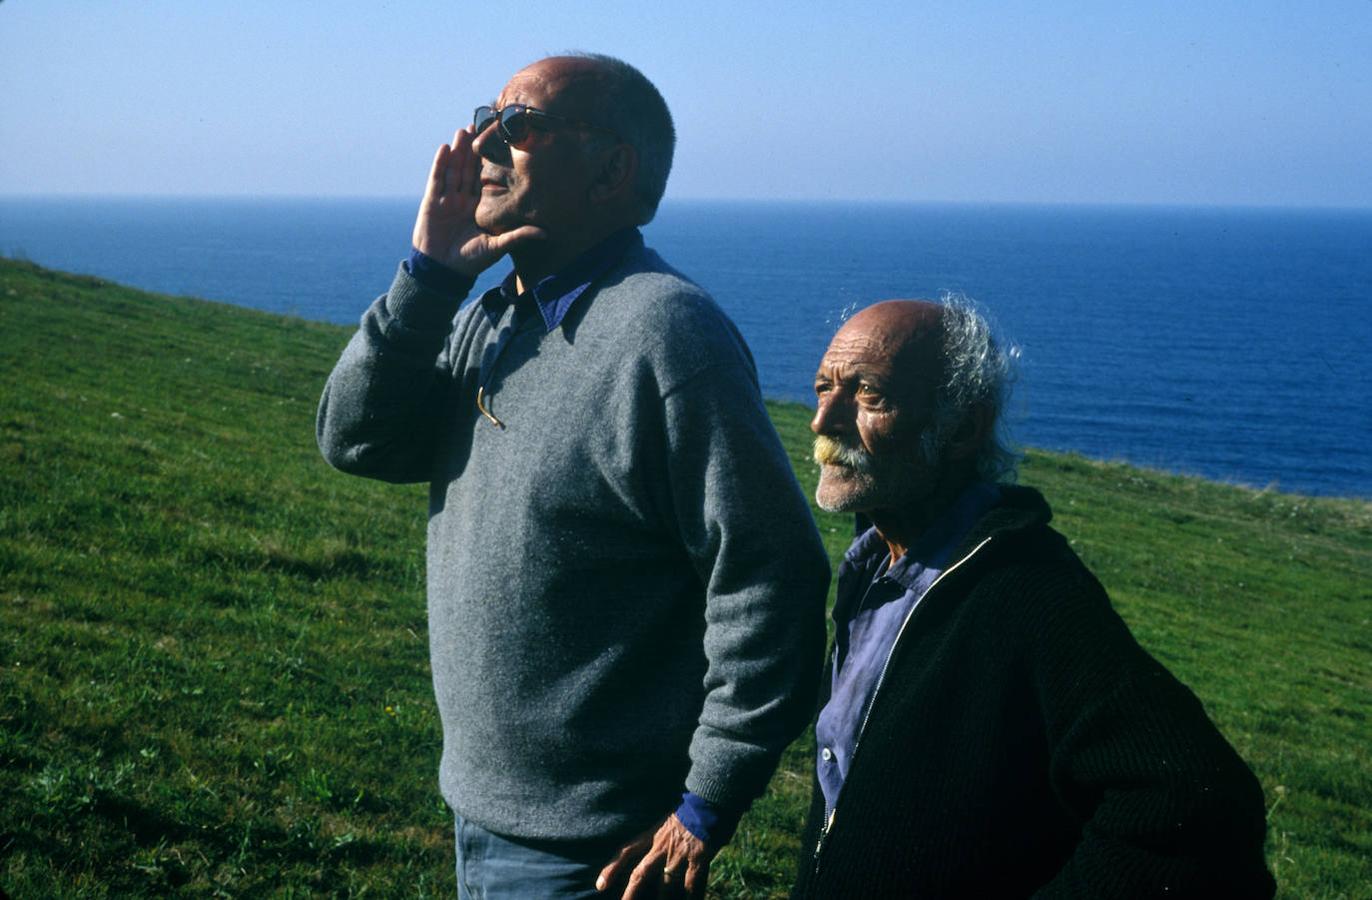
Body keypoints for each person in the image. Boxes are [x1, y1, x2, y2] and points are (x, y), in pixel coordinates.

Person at [316, 54, 829, 899]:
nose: (483, 140)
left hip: (604, 857)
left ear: (610, 169)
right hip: (481, 815)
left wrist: (707, 804)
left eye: (519, 126)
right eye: (487, 115)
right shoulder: (494, 312)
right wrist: (431, 278)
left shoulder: (667, 334)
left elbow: (771, 577)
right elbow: (355, 440)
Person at [792, 299, 1275, 898]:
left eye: (869, 396)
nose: (822, 420)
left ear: (964, 428)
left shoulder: (1028, 592)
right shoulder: (873, 566)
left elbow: (1201, 813)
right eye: (823, 389)